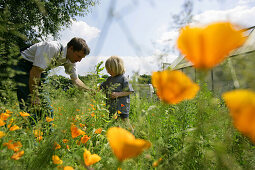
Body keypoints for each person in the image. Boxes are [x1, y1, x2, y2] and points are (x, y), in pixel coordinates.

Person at [13, 37, 91, 124]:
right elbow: (35, 72)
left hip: (40, 71)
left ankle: (46, 134)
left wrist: (90, 90)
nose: (79, 60)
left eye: (82, 58)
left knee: (47, 108)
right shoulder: (52, 48)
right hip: (24, 66)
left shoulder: (71, 61)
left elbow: (75, 80)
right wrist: (34, 96)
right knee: (29, 104)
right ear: (71, 48)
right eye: (78, 56)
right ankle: (28, 131)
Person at [100, 56, 134, 133]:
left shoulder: (123, 78)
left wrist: (118, 94)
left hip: (122, 106)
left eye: (110, 69)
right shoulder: (109, 79)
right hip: (111, 105)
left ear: (117, 68)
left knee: (125, 121)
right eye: (107, 69)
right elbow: (102, 87)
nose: (108, 71)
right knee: (114, 123)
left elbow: (130, 91)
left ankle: (131, 136)